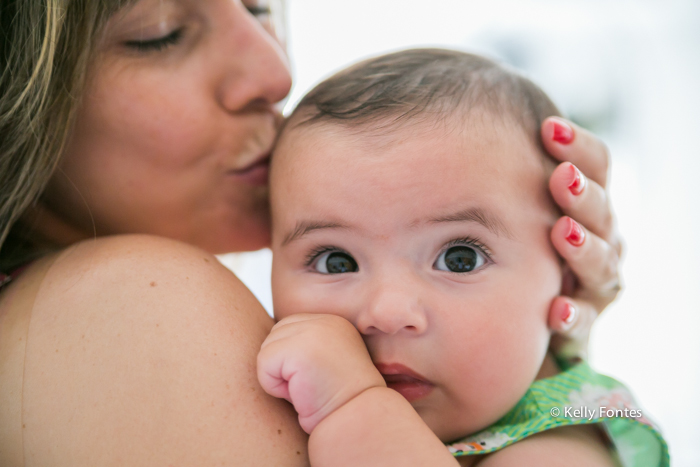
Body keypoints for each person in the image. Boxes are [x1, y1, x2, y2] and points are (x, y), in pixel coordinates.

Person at [0, 1, 621, 465]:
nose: (276, 70)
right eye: (158, 34)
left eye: (260, 6)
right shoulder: (130, 303)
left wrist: (545, 364)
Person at [259, 49, 668, 466]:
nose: (387, 312)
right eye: (336, 261)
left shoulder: (561, 449)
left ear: (566, 275)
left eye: (460, 258)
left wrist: (352, 404)